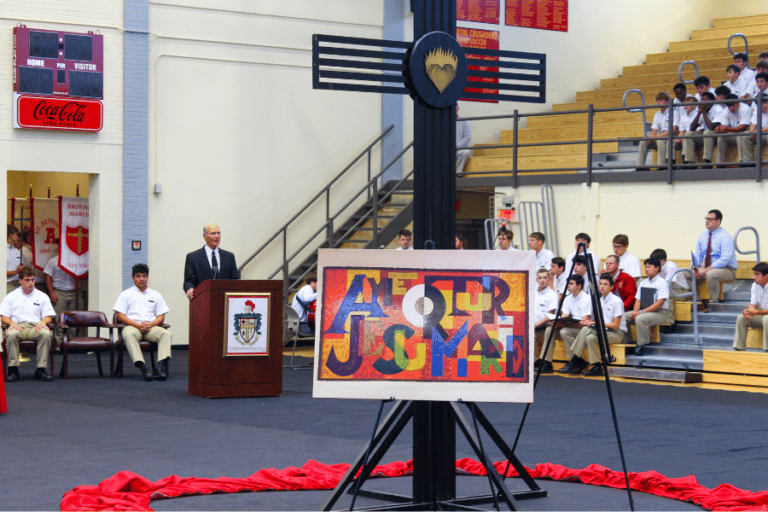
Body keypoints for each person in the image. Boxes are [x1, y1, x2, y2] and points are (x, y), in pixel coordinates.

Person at [113, 264, 172, 381]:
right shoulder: (126, 294)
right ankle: (144, 368)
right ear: (132, 278)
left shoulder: (155, 295)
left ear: (147, 277)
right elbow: (119, 315)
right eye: (138, 276)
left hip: (150, 327)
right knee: (129, 334)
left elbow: (161, 317)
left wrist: (150, 324)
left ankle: (160, 368)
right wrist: (137, 325)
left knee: (166, 334)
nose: (141, 279)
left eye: (144, 276)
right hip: (132, 326)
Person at [0, 266, 55, 381]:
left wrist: (43, 322)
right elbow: (4, 317)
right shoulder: (11, 296)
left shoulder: (42, 296)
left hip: (35, 327)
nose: (30, 283)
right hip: (17, 326)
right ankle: (13, 369)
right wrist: (11, 323)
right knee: (11, 335)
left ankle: (41, 369)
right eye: (27, 280)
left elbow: (48, 316)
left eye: (33, 280)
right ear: (20, 280)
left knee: (46, 334)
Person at [567, 273, 627, 376]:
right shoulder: (599, 301)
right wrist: (589, 322)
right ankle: (597, 366)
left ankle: (575, 359)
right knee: (590, 337)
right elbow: (597, 321)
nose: (602, 286)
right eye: (600, 284)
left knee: (586, 330)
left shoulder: (616, 301)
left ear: (611, 287)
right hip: (603, 331)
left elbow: (616, 325)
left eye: (605, 284)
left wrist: (595, 323)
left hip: (616, 333)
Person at [534, 274, 592, 374]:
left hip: (583, 329)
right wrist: (557, 322)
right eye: (568, 284)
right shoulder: (568, 298)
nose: (568, 286)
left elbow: (583, 323)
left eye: (571, 284)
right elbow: (565, 317)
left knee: (565, 331)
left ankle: (574, 360)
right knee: (549, 329)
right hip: (571, 326)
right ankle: (547, 362)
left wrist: (563, 324)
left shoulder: (587, 299)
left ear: (579, 286)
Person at [624, 258, 673, 356]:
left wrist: (641, 312)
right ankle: (627, 342)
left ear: (657, 268)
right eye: (645, 267)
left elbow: (659, 303)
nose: (646, 269)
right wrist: (634, 311)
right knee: (624, 316)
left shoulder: (662, 283)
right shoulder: (643, 283)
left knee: (640, 318)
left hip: (660, 313)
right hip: (644, 311)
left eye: (649, 267)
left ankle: (641, 344)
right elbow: (638, 300)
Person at [689, 209, 737, 307]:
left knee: (711, 274)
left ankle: (714, 303)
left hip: (727, 269)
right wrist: (694, 268)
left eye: (710, 219)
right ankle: (697, 301)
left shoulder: (725, 236)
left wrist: (705, 270)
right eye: (706, 219)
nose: (707, 221)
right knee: (685, 274)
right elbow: (698, 255)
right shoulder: (702, 236)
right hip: (707, 268)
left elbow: (725, 259)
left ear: (718, 221)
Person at [184, 224, 240, 300]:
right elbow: (188, 281)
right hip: (202, 301)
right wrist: (189, 289)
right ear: (204, 236)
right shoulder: (193, 257)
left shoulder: (229, 256)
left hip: (224, 301)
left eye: (218, 233)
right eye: (213, 233)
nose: (217, 236)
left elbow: (235, 280)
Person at [44, 247, 77, 346]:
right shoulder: (53, 261)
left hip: (74, 292)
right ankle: (59, 344)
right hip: (59, 292)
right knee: (59, 319)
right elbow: (48, 277)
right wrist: (51, 293)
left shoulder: (75, 262)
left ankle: (73, 342)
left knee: (74, 319)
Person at [637, 92, 679, 171]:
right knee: (643, 141)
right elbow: (654, 130)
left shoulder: (674, 113)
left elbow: (674, 130)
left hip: (672, 137)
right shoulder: (657, 114)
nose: (658, 102)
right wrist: (651, 137)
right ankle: (640, 166)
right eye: (657, 100)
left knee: (660, 140)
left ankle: (661, 166)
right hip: (660, 137)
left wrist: (656, 136)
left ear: (667, 101)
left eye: (661, 100)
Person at [732, 262, 768, 351]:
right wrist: (747, 311)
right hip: (763, 314)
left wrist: (757, 312)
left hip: (765, 316)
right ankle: (738, 348)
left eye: (757, 274)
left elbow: (758, 311)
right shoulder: (755, 286)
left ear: (766, 276)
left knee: (766, 319)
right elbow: (753, 306)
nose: (754, 277)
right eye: (754, 274)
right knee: (741, 318)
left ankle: (766, 351)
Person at [684, 91, 719, 167]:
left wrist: (703, 112)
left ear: (711, 101)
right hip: (706, 136)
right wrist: (699, 113)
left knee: (708, 132)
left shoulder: (717, 109)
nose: (702, 102)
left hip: (718, 135)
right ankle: (691, 162)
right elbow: (692, 128)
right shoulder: (703, 110)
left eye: (704, 100)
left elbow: (711, 127)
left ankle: (707, 161)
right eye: (701, 100)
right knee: (688, 134)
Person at [715, 94, 751, 165]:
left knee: (741, 135)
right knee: (721, 137)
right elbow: (724, 127)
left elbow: (743, 128)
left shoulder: (745, 108)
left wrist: (727, 129)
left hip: (747, 134)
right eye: (729, 106)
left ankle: (742, 161)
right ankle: (719, 163)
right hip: (733, 134)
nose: (731, 108)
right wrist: (719, 129)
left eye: (733, 105)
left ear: (738, 103)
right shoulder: (726, 111)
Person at [533, 268, 559, 362]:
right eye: (540, 278)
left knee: (533, 335)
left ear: (548, 279)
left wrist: (536, 325)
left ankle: (537, 362)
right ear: (537, 279)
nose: (542, 280)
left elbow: (550, 315)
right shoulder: (532, 293)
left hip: (544, 327)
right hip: (533, 326)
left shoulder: (552, 295)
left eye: (544, 278)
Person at [743, 93, 768, 163]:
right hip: (761, 133)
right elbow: (753, 124)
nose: (765, 105)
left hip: (764, 132)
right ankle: (748, 162)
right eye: (762, 104)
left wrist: (758, 131)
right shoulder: (757, 110)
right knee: (746, 135)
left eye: (766, 102)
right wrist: (752, 131)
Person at [456, 106, 472, 174]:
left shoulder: (464, 121)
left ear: (457, 109)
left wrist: (457, 145)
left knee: (466, 152)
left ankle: (457, 173)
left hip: (459, 148)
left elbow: (468, 137)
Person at [6, 225, 22, 294]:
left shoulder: (16, 251)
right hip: (6, 284)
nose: (18, 238)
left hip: (18, 284)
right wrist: (16, 271)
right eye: (17, 235)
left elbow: (19, 266)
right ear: (11, 235)